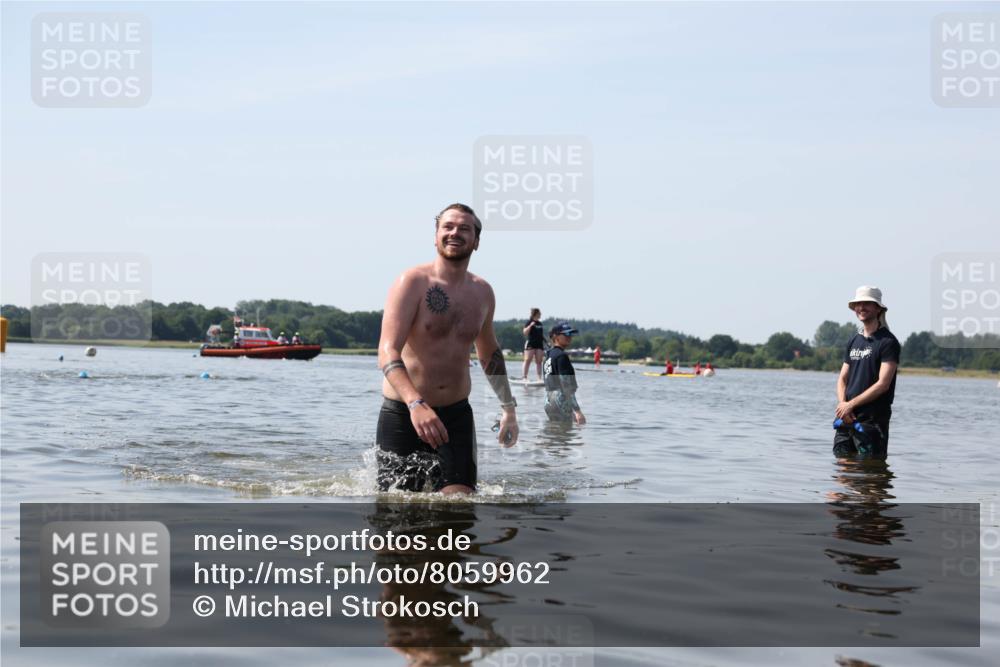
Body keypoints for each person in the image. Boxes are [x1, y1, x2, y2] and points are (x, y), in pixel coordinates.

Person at [376, 203, 519, 494]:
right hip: (405, 414)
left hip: (456, 416)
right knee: (397, 517)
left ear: (476, 242)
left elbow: (489, 353)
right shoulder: (412, 282)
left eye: (464, 228)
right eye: (448, 227)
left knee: (460, 509)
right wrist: (416, 404)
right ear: (436, 236)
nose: (455, 233)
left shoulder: (482, 292)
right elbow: (387, 351)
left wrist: (509, 409)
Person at [834, 286, 900, 460]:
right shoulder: (853, 340)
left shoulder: (888, 342)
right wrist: (843, 406)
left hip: (872, 422)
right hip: (847, 419)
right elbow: (842, 378)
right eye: (858, 304)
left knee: (870, 477)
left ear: (878, 308)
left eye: (867, 304)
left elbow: (883, 384)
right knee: (842, 474)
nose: (861, 307)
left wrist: (850, 405)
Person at [543, 322, 586, 425]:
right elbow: (566, 386)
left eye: (570, 334)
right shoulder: (561, 356)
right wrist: (578, 411)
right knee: (565, 436)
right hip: (561, 401)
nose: (569, 337)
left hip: (548, 402)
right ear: (555, 337)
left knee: (554, 435)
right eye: (565, 334)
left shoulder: (548, 356)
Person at [521, 308, 545, 380]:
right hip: (531, 343)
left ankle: (539, 378)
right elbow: (525, 332)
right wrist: (530, 325)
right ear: (535, 314)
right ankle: (524, 377)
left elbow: (540, 335)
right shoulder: (529, 322)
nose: (540, 314)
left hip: (539, 344)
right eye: (539, 313)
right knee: (527, 359)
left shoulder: (540, 324)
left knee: (539, 361)